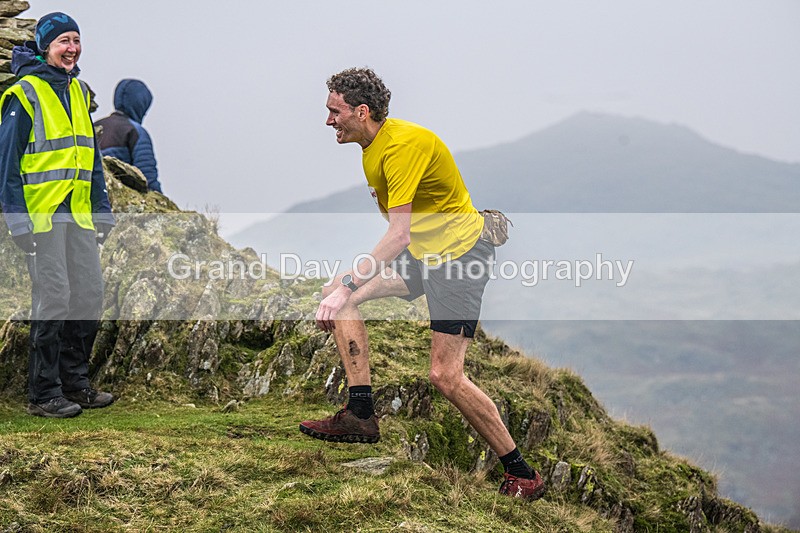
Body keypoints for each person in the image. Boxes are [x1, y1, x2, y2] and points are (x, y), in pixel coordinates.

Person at [299, 68, 546, 500]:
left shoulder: (402, 147)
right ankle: (360, 414)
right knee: (337, 298)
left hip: (458, 259)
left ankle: (522, 473)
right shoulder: (371, 146)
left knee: (444, 375)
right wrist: (342, 290)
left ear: (361, 111)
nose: (328, 121)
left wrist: (347, 283)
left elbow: (399, 235)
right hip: (424, 257)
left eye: (334, 112)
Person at [0, 12, 115, 418]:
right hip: (41, 219)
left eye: (76, 40)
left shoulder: (79, 92)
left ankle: (75, 383)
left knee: (88, 296)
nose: (72, 48)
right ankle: (43, 393)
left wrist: (103, 212)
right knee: (54, 299)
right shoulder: (23, 94)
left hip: (79, 216)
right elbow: (7, 165)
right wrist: (17, 222)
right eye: (63, 41)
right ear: (45, 46)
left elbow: (92, 160)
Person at [96, 79, 161, 193]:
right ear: (141, 105)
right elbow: (147, 176)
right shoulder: (136, 131)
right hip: (122, 193)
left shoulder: (94, 126)